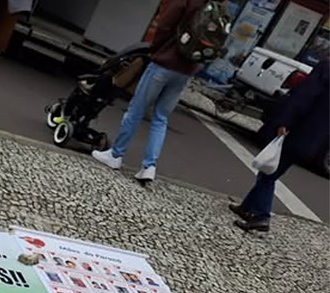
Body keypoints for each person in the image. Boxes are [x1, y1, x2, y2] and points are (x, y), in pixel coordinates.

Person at [92, 0, 207, 182]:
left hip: (165, 63)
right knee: (161, 118)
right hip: (186, 70)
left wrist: (156, 48)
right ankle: (149, 167)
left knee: (136, 109)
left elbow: (165, 25)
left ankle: (115, 155)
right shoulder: (216, 5)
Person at [230, 58, 329, 232]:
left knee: (268, 173)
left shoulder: (326, 67)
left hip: (300, 129)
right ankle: (247, 207)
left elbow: (304, 97)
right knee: (272, 170)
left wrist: (285, 121)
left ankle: (261, 216)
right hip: (316, 137)